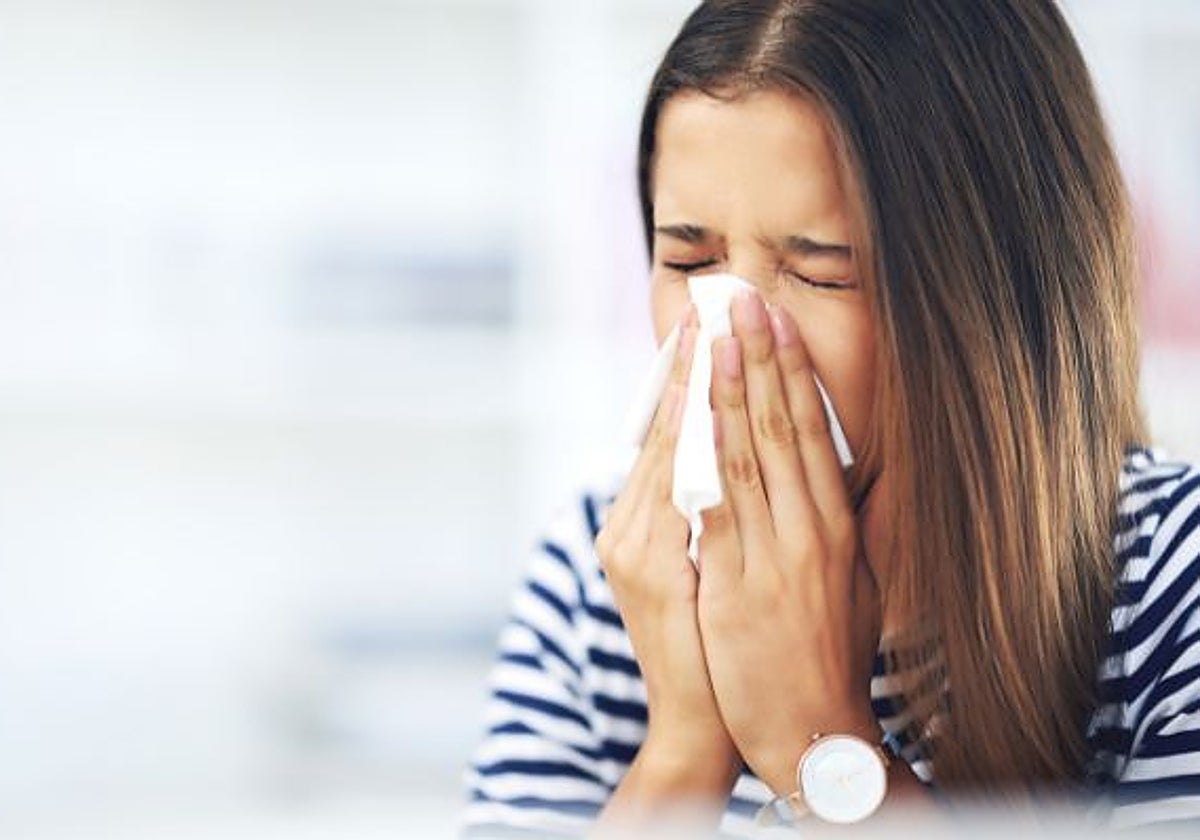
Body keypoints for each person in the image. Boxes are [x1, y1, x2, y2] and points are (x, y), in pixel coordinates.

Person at [459, 0, 1200, 836]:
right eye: (689, 259)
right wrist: (686, 745)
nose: (732, 331)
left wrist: (818, 737)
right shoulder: (600, 578)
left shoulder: (1173, 586)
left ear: (995, 293)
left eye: (822, 273)